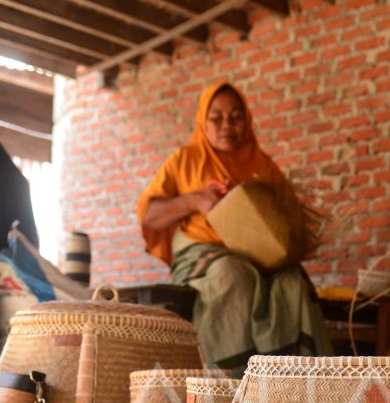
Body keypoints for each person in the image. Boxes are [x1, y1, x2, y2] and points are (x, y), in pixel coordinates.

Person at [137, 81, 331, 370]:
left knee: (294, 280)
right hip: (202, 253)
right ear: (203, 120)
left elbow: (287, 221)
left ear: (247, 120)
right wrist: (194, 200)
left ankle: (299, 379)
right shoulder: (185, 159)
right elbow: (149, 215)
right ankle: (230, 380)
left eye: (235, 117)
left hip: (260, 257)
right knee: (233, 274)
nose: (226, 124)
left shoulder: (263, 167)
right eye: (216, 118)